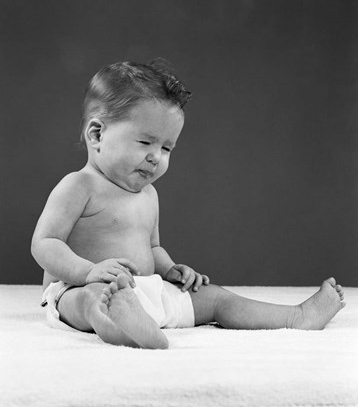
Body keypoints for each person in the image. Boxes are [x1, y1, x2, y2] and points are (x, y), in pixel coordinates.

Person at [31, 60, 346, 349]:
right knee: (93, 300)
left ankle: (296, 317)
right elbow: (45, 243)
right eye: (145, 142)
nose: (157, 157)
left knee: (213, 298)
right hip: (76, 288)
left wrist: (169, 269)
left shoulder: (148, 195)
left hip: (146, 289)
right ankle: (123, 327)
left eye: (167, 147)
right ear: (97, 133)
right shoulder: (79, 185)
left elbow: (151, 248)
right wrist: (89, 272)